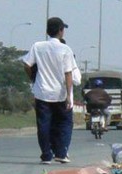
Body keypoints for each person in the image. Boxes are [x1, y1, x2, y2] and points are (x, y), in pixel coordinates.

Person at [23, 17, 76, 164]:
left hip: (42, 92)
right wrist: (69, 95)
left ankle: (46, 155)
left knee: (44, 124)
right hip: (59, 93)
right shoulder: (65, 49)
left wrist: (33, 78)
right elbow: (68, 74)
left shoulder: (38, 46)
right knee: (65, 123)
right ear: (60, 31)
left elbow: (27, 64)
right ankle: (61, 152)